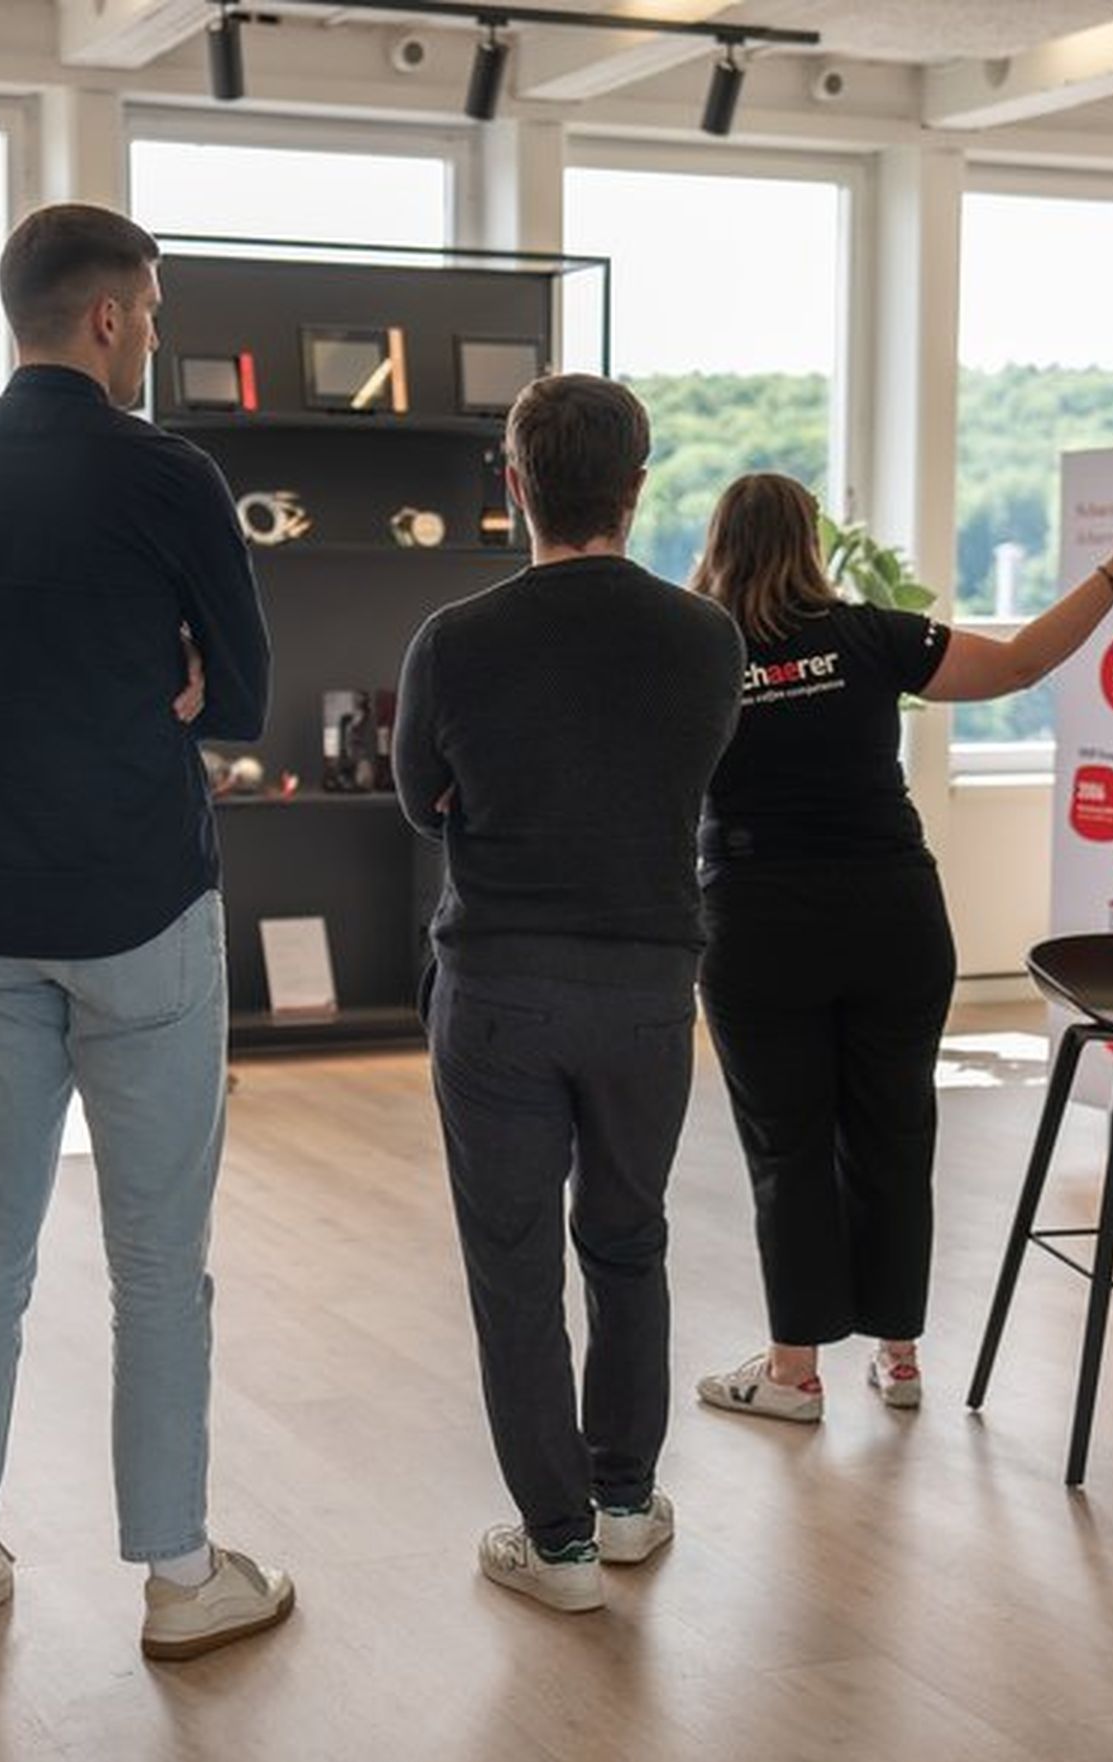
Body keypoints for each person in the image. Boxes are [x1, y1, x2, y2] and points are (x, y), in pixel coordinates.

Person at [0, 202, 285, 1657]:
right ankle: (182, 1581)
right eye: (156, 312)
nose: (155, 336)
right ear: (113, 317)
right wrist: (180, 675)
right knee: (154, 1262)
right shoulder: (170, 470)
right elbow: (243, 700)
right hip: (139, 901)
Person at [689, 473, 1113, 1423]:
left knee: (789, 1146)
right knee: (894, 1130)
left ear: (717, 544)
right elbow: (1016, 666)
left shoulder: (698, 652)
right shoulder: (872, 633)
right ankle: (901, 1357)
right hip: (892, 911)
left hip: (759, 920)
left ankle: (794, 1375)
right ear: (810, 542)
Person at [393, 374, 743, 1614]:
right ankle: (628, 1500)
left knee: (514, 1265)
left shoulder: (457, 638)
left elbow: (418, 801)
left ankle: (558, 1546)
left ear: (515, 482)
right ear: (637, 489)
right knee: (629, 1240)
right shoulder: (709, 640)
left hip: (499, 989)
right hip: (650, 987)